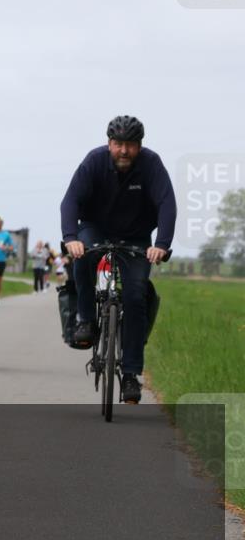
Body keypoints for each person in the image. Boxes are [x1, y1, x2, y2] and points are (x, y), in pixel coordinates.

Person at [60, 115, 176, 404]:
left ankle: (130, 375)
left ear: (139, 146)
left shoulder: (151, 165)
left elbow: (166, 204)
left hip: (136, 236)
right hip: (94, 228)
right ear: (109, 143)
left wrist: (161, 244)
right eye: (118, 144)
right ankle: (85, 319)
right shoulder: (94, 161)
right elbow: (70, 200)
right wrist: (70, 237)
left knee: (135, 295)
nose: (124, 151)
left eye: (130, 145)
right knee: (82, 258)